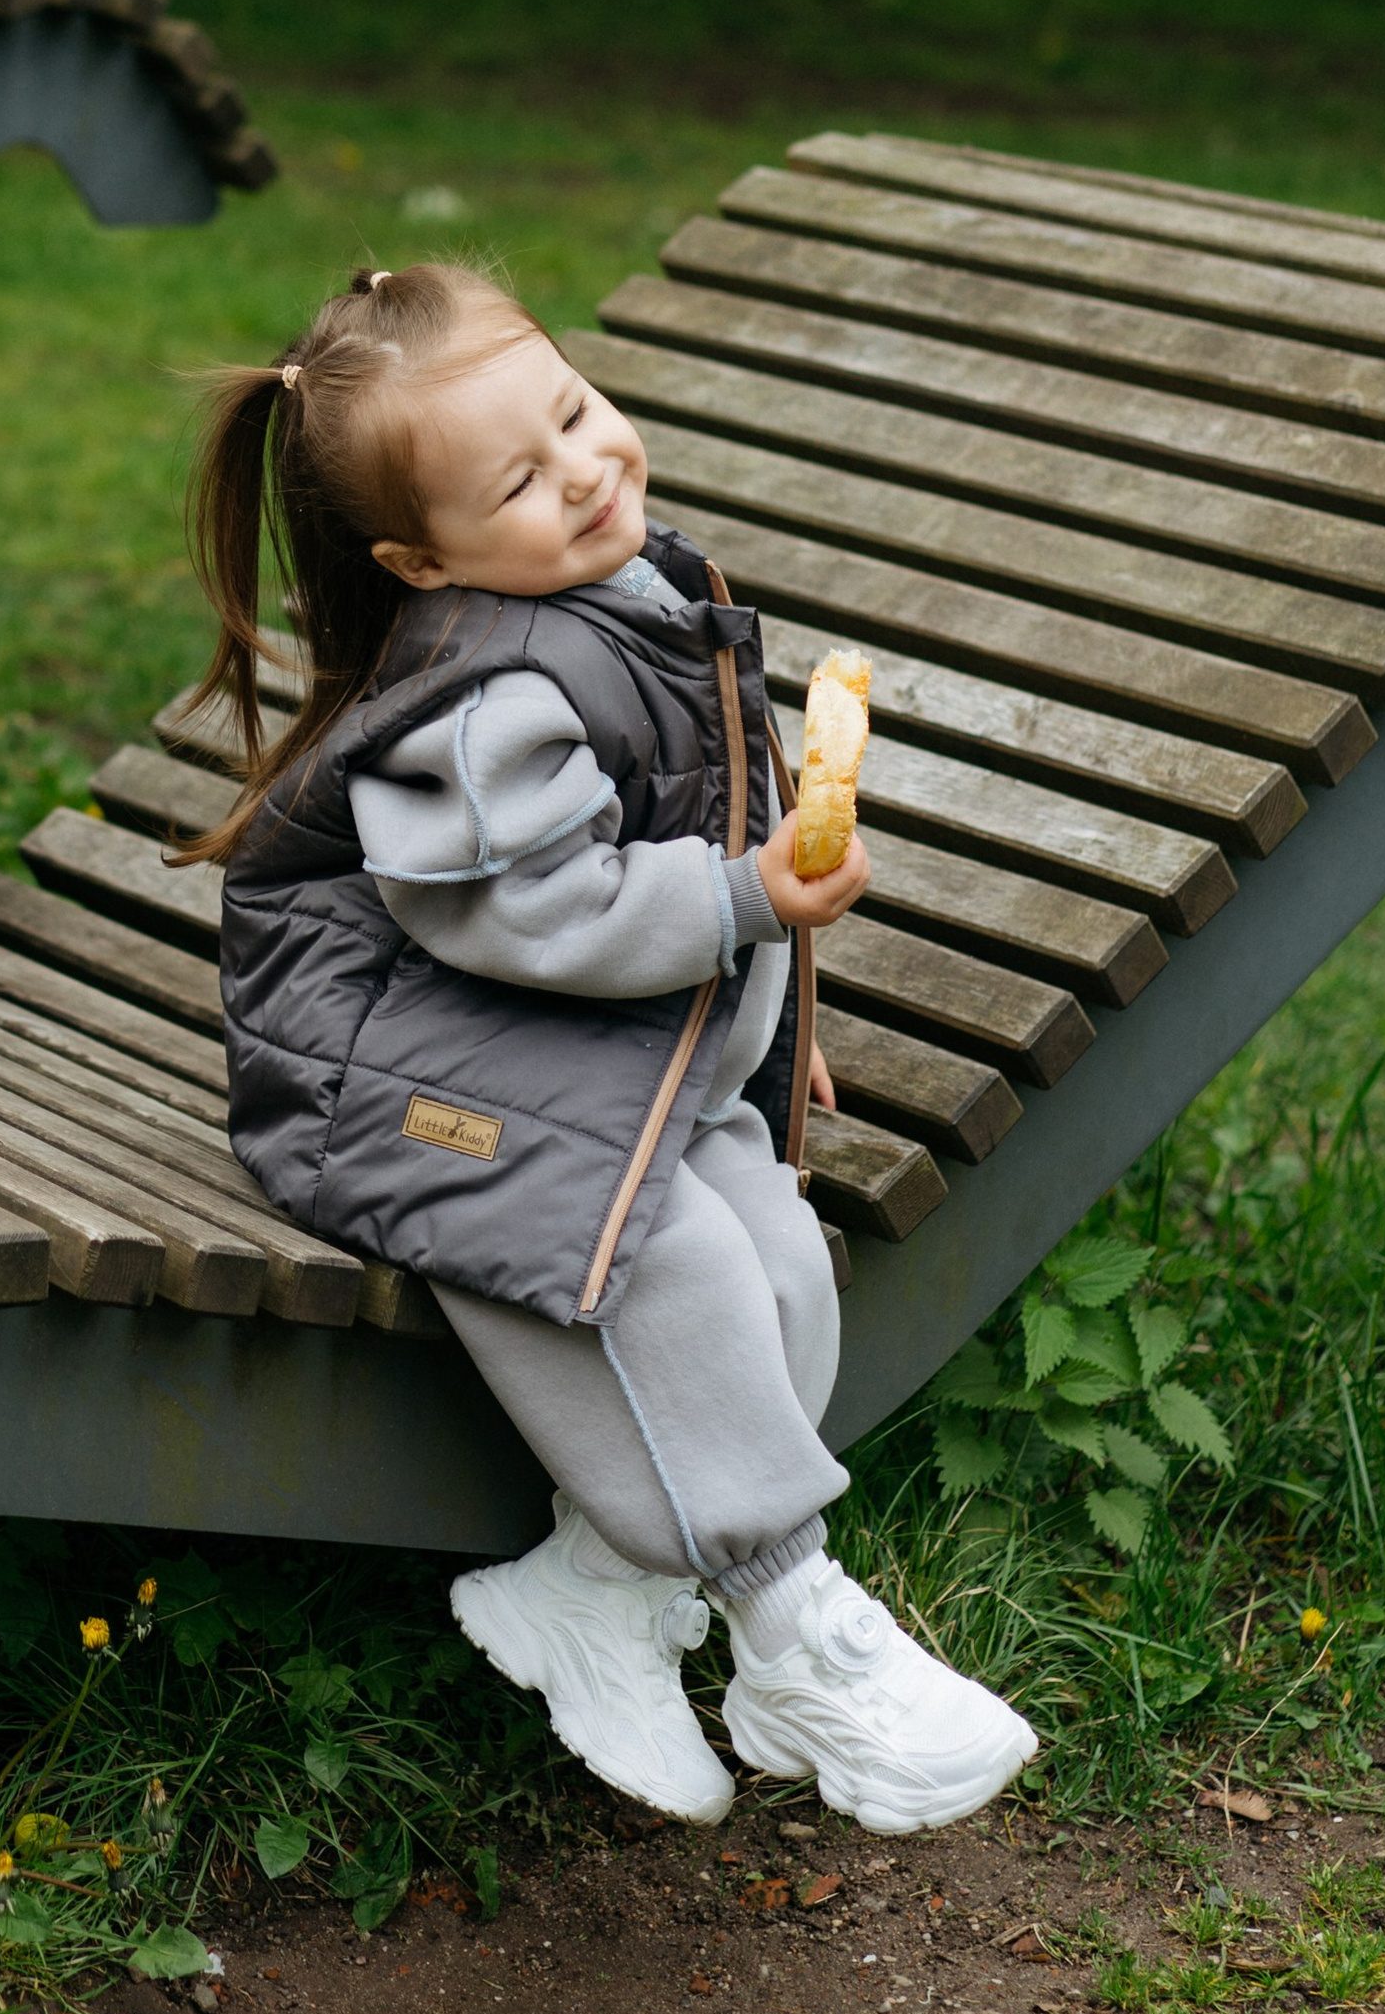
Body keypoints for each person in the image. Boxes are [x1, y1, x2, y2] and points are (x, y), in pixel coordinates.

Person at [183, 260, 1037, 1838]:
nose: (582, 472)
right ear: (421, 559)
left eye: (575, 415)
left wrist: (766, 1020)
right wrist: (745, 904)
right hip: (387, 1071)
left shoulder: (630, 596)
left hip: (569, 1038)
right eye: (519, 480)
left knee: (782, 1268)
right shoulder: (485, 687)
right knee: (665, 1261)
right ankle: (801, 1633)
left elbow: (706, 816)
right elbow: (532, 909)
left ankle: (592, 1596)